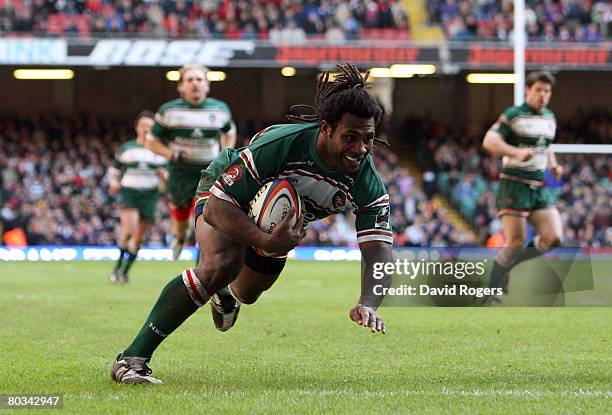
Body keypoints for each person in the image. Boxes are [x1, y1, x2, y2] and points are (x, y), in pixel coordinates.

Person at [110, 63, 394, 384]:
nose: (360, 149)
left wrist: (368, 303)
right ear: (326, 128)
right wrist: (264, 239)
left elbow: (379, 250)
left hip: (273, 227)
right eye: (350, 137)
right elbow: (217, 209)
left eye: (368, 138)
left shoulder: (366, 179)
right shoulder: (282, 144)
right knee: (221, 264)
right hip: (225, 193)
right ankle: (131, 359)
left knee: (247, 293)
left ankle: (226, 294)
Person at [482, 71, 563, 303]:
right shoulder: (514, 115)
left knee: (553, 237)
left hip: (538, 185)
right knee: (515, 242)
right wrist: (516, 152)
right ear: (528, 89)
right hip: (514, 183)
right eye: (538, 90)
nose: (543, 95)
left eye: (547, 91)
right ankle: (490, 292)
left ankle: (507, 265)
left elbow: (546, 146)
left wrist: (553, 164)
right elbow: (490, 140)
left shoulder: (549, 117)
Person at [145, 64, 237, 260]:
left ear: (207, 85)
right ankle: (179, 238)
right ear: (181, 86)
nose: (195, 83)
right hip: (180, 173)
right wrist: (171, 154)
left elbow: (229, 132)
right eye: (190, 80)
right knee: (181, 220)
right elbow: (150, 141)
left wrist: (224, 154)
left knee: (204, 219)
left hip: (209, 173)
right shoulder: (169, 111)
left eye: (199, 79)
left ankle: (201, 263)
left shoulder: (220, 110)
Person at [108, 111, 169, 284]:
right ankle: (117, 268)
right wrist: (113, 182)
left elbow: (167, 178)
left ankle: (124, 272)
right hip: (130, 193)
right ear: (137, 128)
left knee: (139, 238)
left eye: (150, 126)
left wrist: (163, 176)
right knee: (128, 230)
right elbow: (114, 170)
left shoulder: (159, 151)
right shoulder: (127, 148)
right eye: (143, 125)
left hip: (150, 195)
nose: (146, 128)